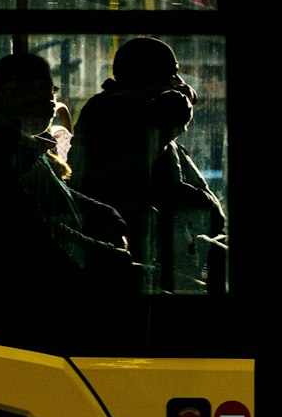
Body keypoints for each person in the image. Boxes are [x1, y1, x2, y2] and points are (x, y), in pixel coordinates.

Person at [0, 54, 137, 326]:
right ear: (2, 97)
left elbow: (53, 195)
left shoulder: (20, 142)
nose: (43, 100)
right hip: (20, 302)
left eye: (46, 90)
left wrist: (105, 214)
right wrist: (110, 258)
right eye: (26, 90)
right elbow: (36, 233)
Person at [70, 38, 225, 293]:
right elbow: (173, 112)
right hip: (132, 242)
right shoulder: (116, 110)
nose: (177, 80)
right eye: (171, 72)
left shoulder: (112, 107)